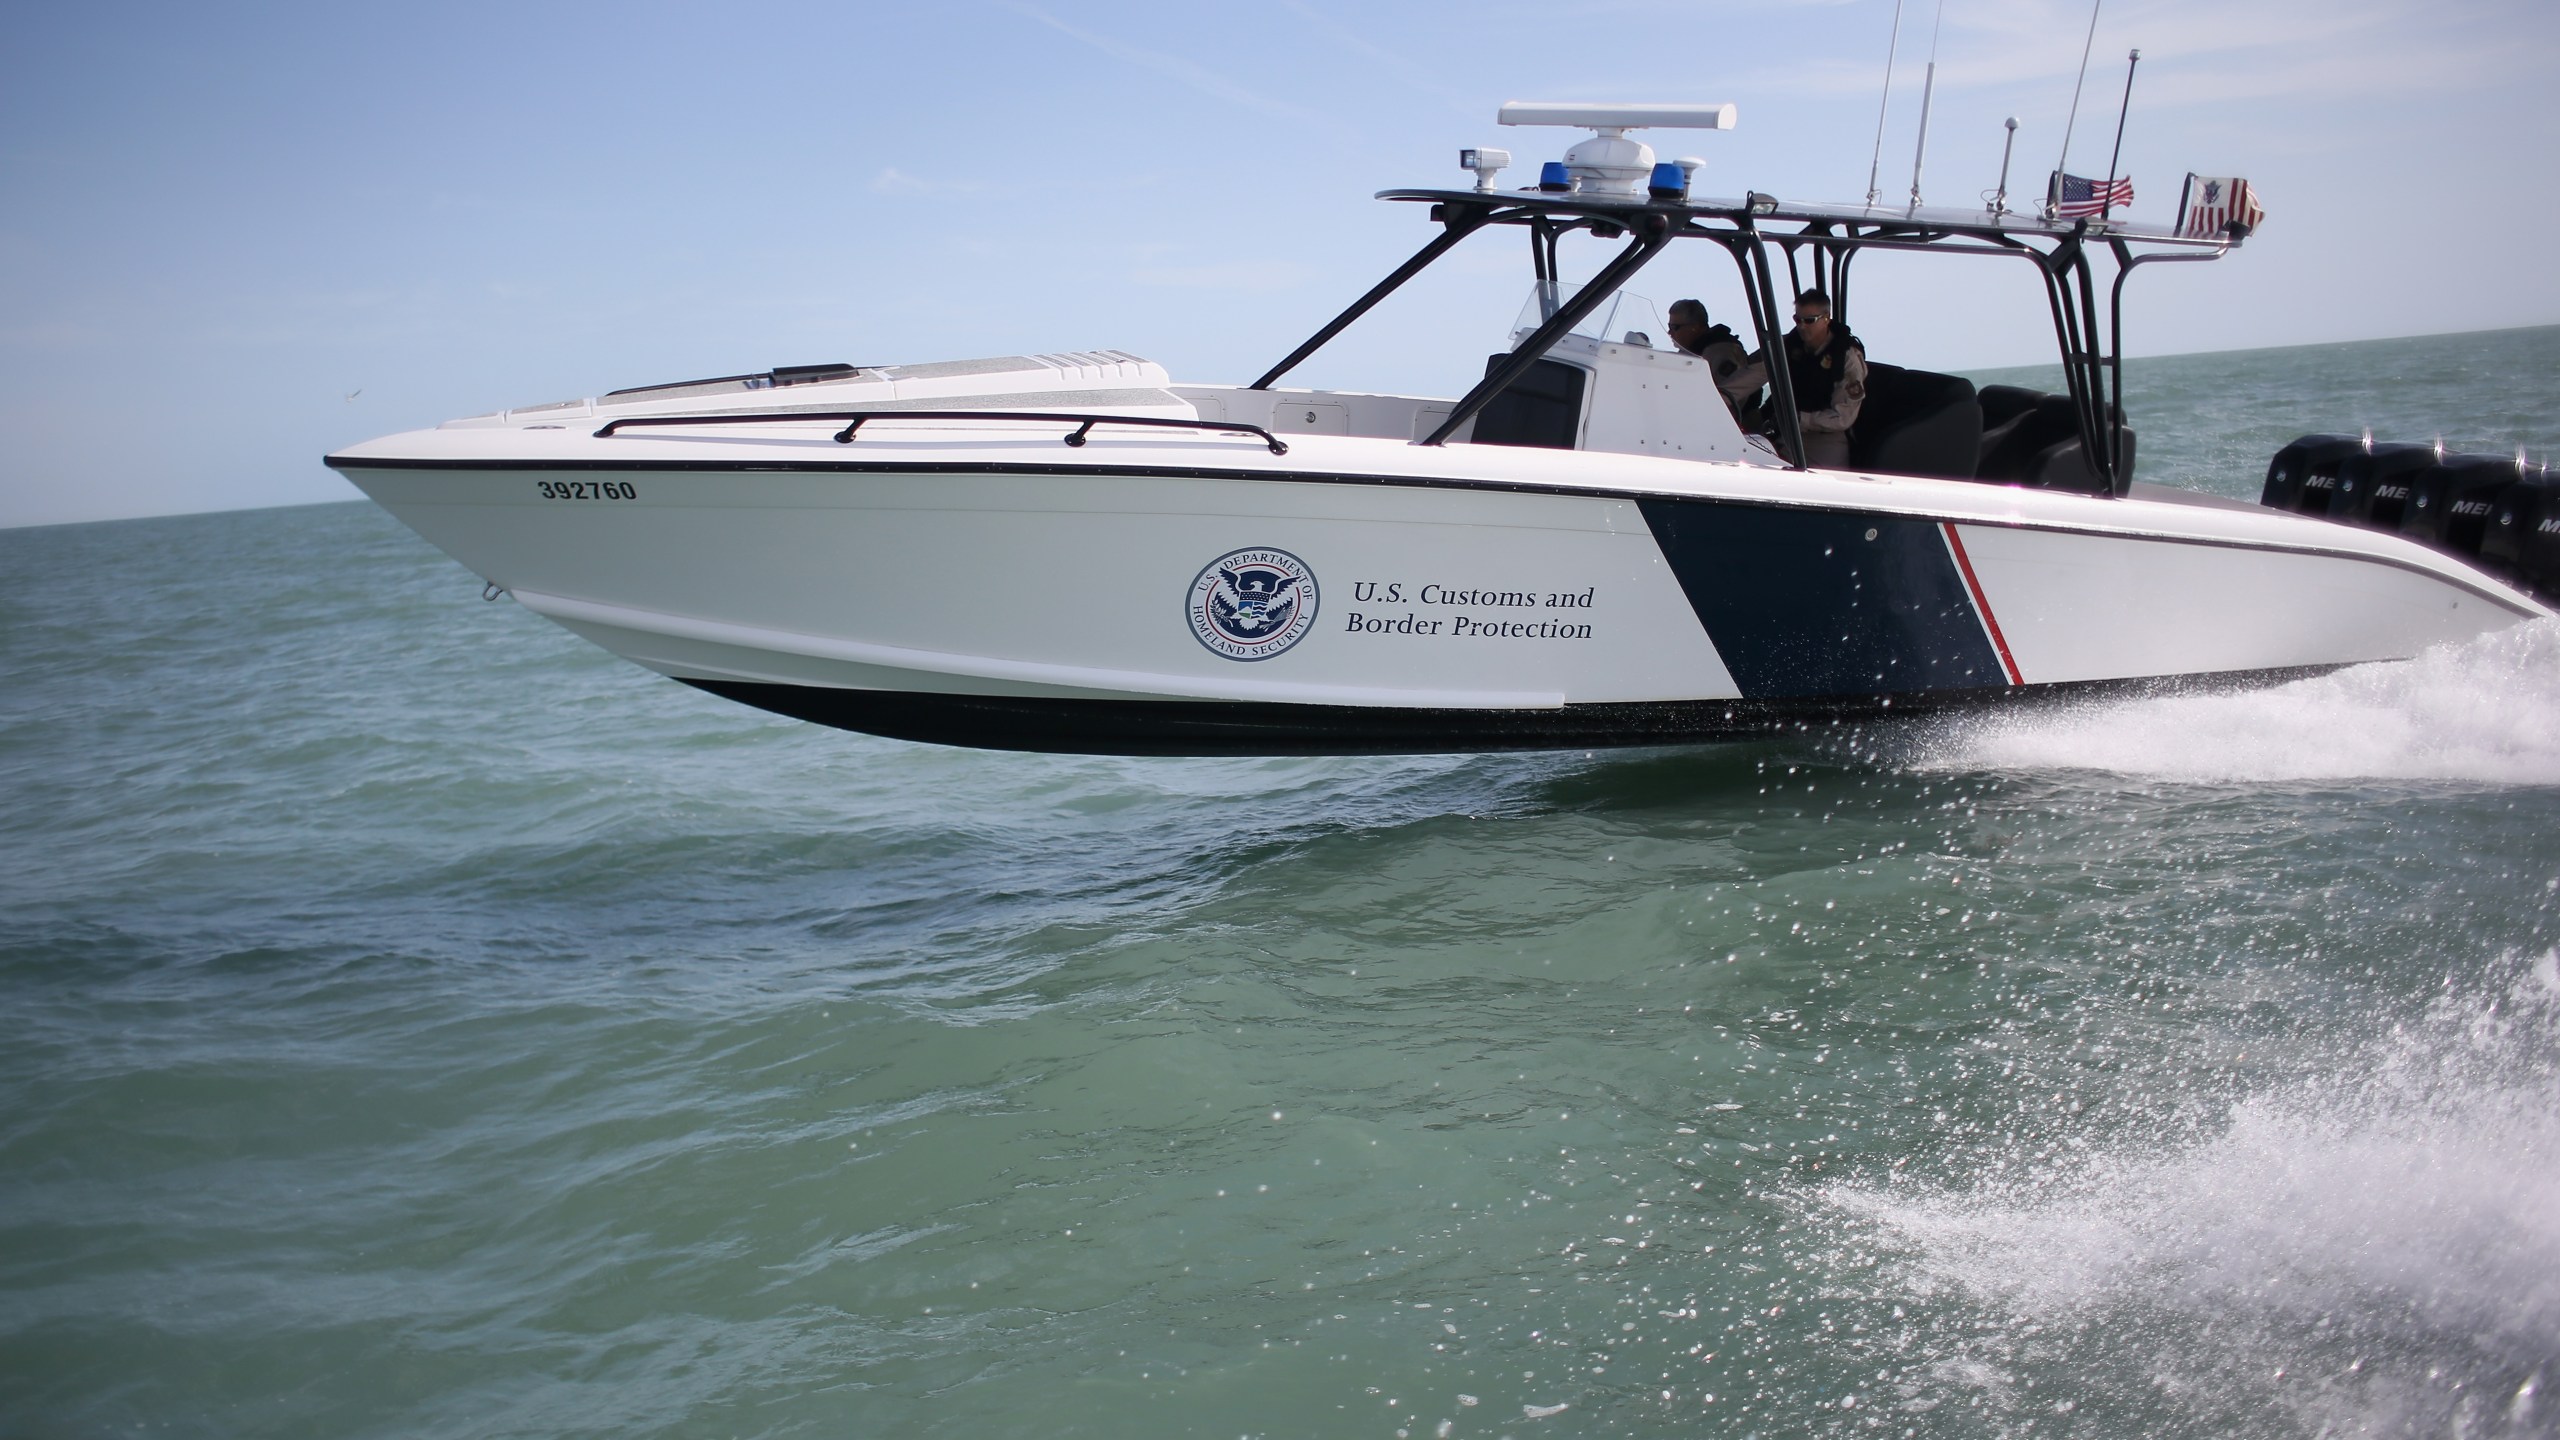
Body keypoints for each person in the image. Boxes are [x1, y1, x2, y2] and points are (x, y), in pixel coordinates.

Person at [1729, 289, 1867, 468]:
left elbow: (1843, 417)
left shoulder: (1846, 358)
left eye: (1809, 321)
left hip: (1825, 441)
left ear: (1826, 318)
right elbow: (1754, 374)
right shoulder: (1788, 347)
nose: (1802, 326)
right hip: (1787, 436)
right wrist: (1721, 395)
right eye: (1797, 320)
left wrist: (1800, 419)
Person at [1665, 299, 1751, 418]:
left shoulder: (1720, 351)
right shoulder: (1690, 352)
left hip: (1736, 426)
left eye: (1675, 327)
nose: (1669, 332)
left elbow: (1734, 399)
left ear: (1695, 327)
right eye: (1669, 327)